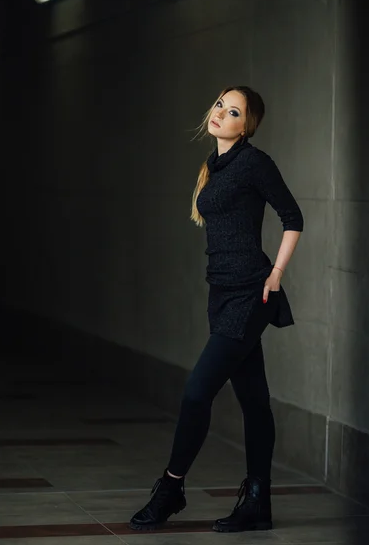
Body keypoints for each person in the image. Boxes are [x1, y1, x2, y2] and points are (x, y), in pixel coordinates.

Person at [129, 86, 304, 533]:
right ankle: (258, 504)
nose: (221, 114)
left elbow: (293, 217)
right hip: (221, 293)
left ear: (246, 126)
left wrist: (276, 273)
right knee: (253, 400)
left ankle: (171, 489)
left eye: (233, 112)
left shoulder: (254, 163)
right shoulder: (215, 164)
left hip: (250, 293)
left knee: (196, 392)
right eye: (220, 106)